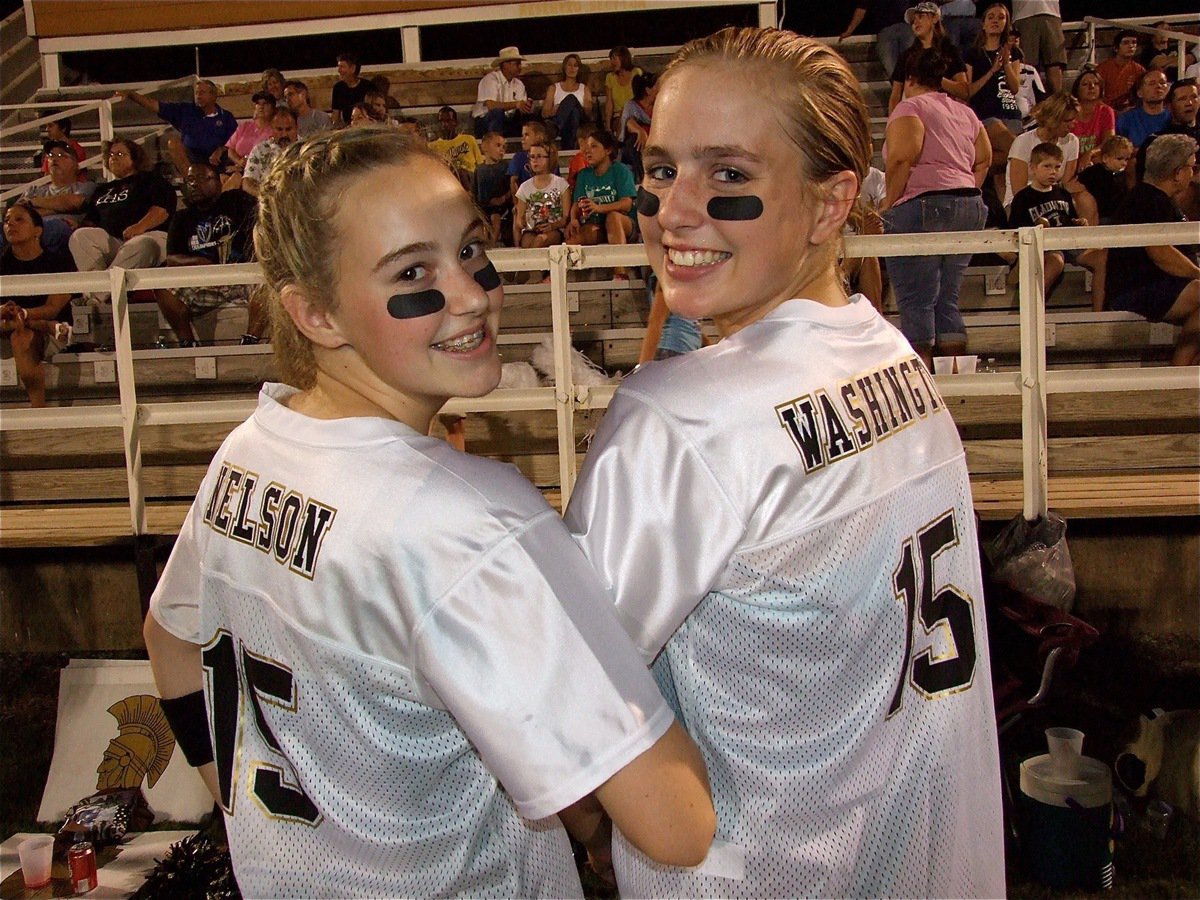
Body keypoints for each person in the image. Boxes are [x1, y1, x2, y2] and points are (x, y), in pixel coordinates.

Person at [142, 127, 715, 897]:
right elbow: (676, 826)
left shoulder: (250, 451)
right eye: (414, 270)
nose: (473, 293)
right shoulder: (469, 517)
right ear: (314, 313)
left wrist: (242, 806)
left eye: (470, 248)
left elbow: (169, 641)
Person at [564, 26, 1004, 899]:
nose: (673, 209)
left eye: (730, 175)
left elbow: (561, 711)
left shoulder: (680, 418)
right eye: (661, 169)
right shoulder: (892, 358)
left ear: (832, 202)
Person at [883, 48, 991, 367]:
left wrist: (888, 204)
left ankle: (925, 391)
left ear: (910, 79)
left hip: (923, 204)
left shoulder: (910, 107)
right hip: (969, 204)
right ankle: (956, 384)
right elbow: (984, 158)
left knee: (917, 300)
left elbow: (903, 156)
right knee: (947, 299)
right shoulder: (964, 112)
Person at [1103, 133, 1199, 365]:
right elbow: (1161, 253)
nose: (1192, 174)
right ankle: (1179, 373)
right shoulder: (1147, 199)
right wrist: (1197, 274)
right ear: (1177, 173)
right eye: (1191, 168)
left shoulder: (1159, 199)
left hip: (1159, 287)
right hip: (1137, 290)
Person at [153, 163, 262, 348]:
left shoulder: (236, 200)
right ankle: (187, 342)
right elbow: (172, 259)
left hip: (242, 276)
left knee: (268, 282)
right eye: (190, 180)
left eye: (201, 178)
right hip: (204, 282)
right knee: (159, 283)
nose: (194, 185)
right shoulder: (182, 218)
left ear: (218, 181)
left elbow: (264, 218)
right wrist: (200, 262)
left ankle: (251, 339)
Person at [69, 138, 176, 304]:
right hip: (117, 242)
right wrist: (78, 226)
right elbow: (92, 220)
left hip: (151, 237)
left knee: (141, 244)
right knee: (80, 236)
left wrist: (140, 227)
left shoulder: (151, 180)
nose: (114, 158)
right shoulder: (102, 190)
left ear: (134, 158)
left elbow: (162, 210)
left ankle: (98, 296)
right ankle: (100, 293)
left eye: (120, 154)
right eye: (111, 154)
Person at [1006, 141, 1105, 302]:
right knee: (1055, 261)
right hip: (1043, 247)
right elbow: (1016, 230)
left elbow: (1069, 220)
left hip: (1067, 242)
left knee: (1103, 257)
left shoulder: (1063, 194)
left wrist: (1079, 223)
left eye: (1057, 167)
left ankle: (1099, 314)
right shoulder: (1023, 198)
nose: (1053, 172)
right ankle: (1033, 310)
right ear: (1032, 168)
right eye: (1047, 166)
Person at [0, 203, 75, 407]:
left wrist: (23, 314)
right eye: (7, 221)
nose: (10, 225)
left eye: (19, 219)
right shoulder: (2, 263)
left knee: (20, 336)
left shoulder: (59, 261)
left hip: (51, 330)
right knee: (15, 327)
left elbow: (53, 308)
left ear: (37, 231)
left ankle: (38, 410)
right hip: (6, 326)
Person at [118, 80, 238, 177]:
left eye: (202, 92)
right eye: (196, 93)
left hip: (216, 160)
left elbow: (235, 142)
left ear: (213, 95)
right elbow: (155, 105)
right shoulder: (186, 111)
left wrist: (219, 150)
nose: (198, 96)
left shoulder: (226, 117)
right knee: (173, 143)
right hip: (191, 159)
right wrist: (131, 95)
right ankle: (191, 181)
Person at [566, 130, 636, 280]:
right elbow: (576, 204)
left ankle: (620, 272)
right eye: (586, 147)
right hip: (596, 225)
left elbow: (627, 204)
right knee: (573, 239)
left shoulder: (621, 171)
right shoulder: (584, 175)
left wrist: (599, 208)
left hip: (623, 224)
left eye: (594, 146)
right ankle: (557, 277)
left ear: (608, 150)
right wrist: (573, 219)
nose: (587, 151)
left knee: (612, 217)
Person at [963, 2, 1023, 176]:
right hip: (985, 116)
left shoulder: (1014, 53)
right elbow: (968, 91)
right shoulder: (972, 54)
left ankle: (971, 171)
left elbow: (1014, 88)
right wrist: (991, 71)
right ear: (983, 24)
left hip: (1011, 114)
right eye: (991, 17)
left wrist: (1006, 64)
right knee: (1018, 152)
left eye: (1001, 17)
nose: (995, 21)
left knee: (1004, 169)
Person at [888, 2, 969, 114]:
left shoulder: (949, 51)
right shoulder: (907, 56)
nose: (915, 22)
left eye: (921, 16)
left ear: (935, 18)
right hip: (915, 116)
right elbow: (895, 96)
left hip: (943, 115)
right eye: (912, 21)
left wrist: (936, 78)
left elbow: (964, 91)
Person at [16, 141, 95, 254]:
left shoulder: (86, 186)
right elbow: (17, 215)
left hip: (62, 231)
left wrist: (33, 202)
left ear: (76, 165)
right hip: (28, 229)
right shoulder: (33, 190)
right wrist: (59, 207)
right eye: (51, 156)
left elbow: (74, 203)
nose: (55, 159)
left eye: (61, 155)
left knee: (55, 227)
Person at [1004, 92, 1080, 208]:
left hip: (1055, 200)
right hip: (1021, 203)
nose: (1072, 125)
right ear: (1052, 119)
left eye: (1073, 120)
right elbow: (1019, 192)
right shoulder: (1023, 142)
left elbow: (1066, 185)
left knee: (1084, 200)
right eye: (1067, 121)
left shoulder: (1072, 141)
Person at [514, 140, 571, 259]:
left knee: (540, 240)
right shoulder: (525, 187)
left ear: (549, 159)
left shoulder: (561, 184)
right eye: (532, 157)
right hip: (531, 230)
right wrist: (525, 223)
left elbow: (566, 217)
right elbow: (519, 218)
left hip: (554, 230)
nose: (535, 160)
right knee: (528, 242)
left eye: (539, 156)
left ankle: (522, 271)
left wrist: (552, 226)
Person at [839, 0, 915, 79]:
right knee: (892, 69)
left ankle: (913, 89)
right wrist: (849, 30)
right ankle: (902, 90)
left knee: (912, 67)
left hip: (907, 29)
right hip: (885, 32)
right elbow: (861, 9)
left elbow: (919, 8)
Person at [472, 46, 533, 138]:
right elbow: (491, 106)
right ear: (505, 65)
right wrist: (516, 104)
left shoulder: (519, 84)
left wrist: (526, 107)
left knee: (529, 118)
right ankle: (494, 142)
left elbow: (520, 107)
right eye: (517, 64)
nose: (520, 67)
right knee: (497, 113)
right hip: (485, 122)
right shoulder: (491, 79)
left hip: (508, 121)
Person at [242, 108, 299, 197]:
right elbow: (247, 183)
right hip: (267, 200)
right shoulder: (260, 150)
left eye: (289, 129)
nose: (284, 134)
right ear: (272, 128)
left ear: (297, 128)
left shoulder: (306, 148)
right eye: (279, 130)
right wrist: (266, 198)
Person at [1011, 0, 1065, 94]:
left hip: (1051, 12)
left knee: (1054, 63)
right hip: (1023, 14)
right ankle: (1031, 104)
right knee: (1027, 67)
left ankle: (1058, 104)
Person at [1077, 133, 1133, 222]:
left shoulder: (1122, 175)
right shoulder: (1093, 173)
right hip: (1099, 215)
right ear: (1105, 158)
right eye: (1119, 159)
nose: (1124, 163)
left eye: (1126, 159)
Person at [543, 53, 593, 150]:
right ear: (564, 67)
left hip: (580, 123)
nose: (572, 68)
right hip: (566, 127)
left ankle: (557, 127)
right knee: (573, 113)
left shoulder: (584, 88)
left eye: (575, 65)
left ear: (579, 69)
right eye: (569, 65)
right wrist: (556, 109)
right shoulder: (554, 88)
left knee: (571, 99)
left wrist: (568, 104)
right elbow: (544, 113)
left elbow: (588, 113)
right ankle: (569, 145)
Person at [1070, 66, 1117, 167]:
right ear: (1077, 89)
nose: (1091, 87)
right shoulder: (1069, 111)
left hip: (1094, 158)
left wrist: (1090, 153)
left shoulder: (1106, 111)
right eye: (1085, 84)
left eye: (1096, 83)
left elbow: (1108, 142)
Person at [428, 106, 484, 189]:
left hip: (470, 177)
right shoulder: (432, 146)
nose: (444, 125)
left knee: (461, 173)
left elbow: (480, 164)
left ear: (455, 122)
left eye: (448, 121)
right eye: (441, 122)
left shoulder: (468, 139)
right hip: (447, 180)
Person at [1117, 69, 1172, 149]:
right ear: (1139, 93)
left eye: (1162, 83)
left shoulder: (1173, 118)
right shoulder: (1127, 119)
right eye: (1152, 83)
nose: (1159, 86)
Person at [224, 91, 276, 175]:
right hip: (238, 166)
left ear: (273, 108)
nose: (261, 107)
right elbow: (230, 149)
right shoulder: (244, 126)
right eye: (258, 103)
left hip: (262, 170)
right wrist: (239, 161)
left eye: (265, 104)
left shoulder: (275, 129)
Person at [473, 131, 512, 242]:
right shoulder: (479, 170)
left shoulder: (506, 167)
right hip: (483, 206)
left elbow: (512, 187)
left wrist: (503, 198)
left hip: (501, 207)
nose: (501, 150)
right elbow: (475, 191)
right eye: (498, 145)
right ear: (485, 147)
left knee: (495, 217)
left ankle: (492, 242)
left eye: (504, 147)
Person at [619, 72, 657, 182]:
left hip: (656, 140)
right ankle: (642, 177)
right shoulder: (631, 105)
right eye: (655, 87)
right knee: (633, 141)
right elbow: (628, 121)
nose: (658, 89)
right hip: (636, 147)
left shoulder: (659, 105)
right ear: (648, 90)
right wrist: (640, 131)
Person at [1095, 30, 1145, 113]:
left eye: (1134, 42)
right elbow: (1096, 97)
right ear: (1116, 48)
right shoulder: (1102, 69)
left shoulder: (1139, 70)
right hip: (1106, 112)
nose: (1131, 46)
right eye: (1126, 43)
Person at [603, 46, 641, 134]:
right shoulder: (610, 77)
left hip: (635, 113)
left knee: (630, 120)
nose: (612, 62)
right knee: (624, 121)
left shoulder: (636, 73)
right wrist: (608, 126)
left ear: (623, 58)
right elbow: (609, 103)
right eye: (610, 59)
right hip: (618, 116)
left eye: (614, 58)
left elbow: (642, 96)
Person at [331, 52, 371, 127]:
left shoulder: (368, 87)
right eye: (338, 67)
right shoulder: (338, 88)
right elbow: (336, 118)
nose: (339, 70)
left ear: (353, 68)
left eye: (342, 67)